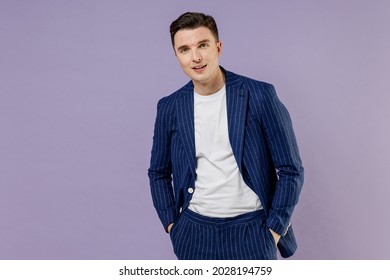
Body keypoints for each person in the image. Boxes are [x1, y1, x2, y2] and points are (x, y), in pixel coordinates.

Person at [148, 12, 304, 260]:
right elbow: (158, 172)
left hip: (252, 231)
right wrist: (172, 225)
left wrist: (274, 229)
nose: (196, 57)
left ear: (218, 47)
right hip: (193, 233)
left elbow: (291, 169)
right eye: (185, 49)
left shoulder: (260, 95)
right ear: (177, 56)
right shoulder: (170, 106)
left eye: (202, 45)